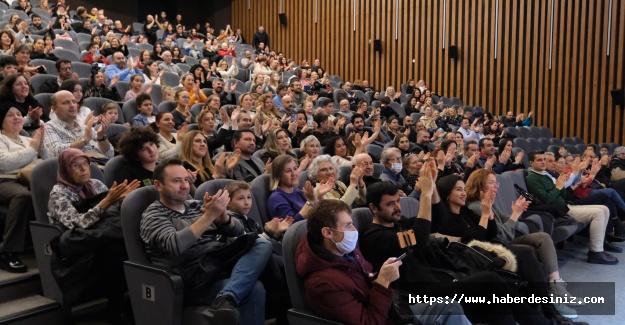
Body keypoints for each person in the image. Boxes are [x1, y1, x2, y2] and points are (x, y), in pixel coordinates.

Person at [359, 168, 560, 325]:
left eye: (397, 201)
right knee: (491, 280)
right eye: (390, 204)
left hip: (440, 281)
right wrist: (426, 195)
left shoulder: (400, 223)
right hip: (419, 295)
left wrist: (433, 187)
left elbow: (438, 219)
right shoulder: (375, 236)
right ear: (373, 208)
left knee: (496, 306)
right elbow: (420, 237)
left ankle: (544, 318)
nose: (397, 207)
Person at [140, 158, 272, 325]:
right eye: (176, 181)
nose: (184, 186)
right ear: (158, 185)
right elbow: (175, 245)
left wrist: (224, 217)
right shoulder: (153, 214)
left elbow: (239, 232)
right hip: (192, 278)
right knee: (254, 288)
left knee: (261, 243)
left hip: (217, 264)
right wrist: (209, 216)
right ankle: (229, 296)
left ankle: (227, 296)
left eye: (186, 180)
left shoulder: (195, 206)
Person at [465, 168, 580, 316]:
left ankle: (555, 285)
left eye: (496, 183)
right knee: (530, 253)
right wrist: (515, 214)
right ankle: (550, 299)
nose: (496, 186)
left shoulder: (489, 202)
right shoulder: (477, 206)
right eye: (491, 183)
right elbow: (502, 235)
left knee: (543, 238)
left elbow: (507, 223)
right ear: (479, 185)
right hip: (495, 246)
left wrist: (514, 214)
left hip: (509, 237)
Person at [48, 148, 140, 322]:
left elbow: (111, 217)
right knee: (114, 251)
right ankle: (116, 306)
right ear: (66, 170)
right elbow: (77, 224)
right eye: (76, 165)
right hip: (76, 248)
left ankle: (129, 301)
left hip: (100, 237)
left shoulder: (96, 184)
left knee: (125, 244)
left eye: (85, 164)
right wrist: (106, 202)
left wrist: (122, 202)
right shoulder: (58, 194)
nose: (83, 169)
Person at [525, 151, 617, 264]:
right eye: (540, 160)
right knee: (598, 213)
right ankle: (596, 252)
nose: (543, 162)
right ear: (531, 162)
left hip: (565, 205)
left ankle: (600, 248)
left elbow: (562, 195)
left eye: (544, 159)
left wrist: (562, 183)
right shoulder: (532, 178)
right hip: (559, 211)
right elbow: (547, 199)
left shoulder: (544, 175)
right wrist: (558, 187)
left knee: (604, 209)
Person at [0, 103, 43, 273]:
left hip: (30, 180)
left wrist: (42, 146)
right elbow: (4, 164)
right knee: (23, 196)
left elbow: (43, 161)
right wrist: (33, 149)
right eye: (11, 115)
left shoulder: (27, 139)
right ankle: (7, 251)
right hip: (5, 180)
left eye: (19, 114)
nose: (17, 117)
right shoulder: (1, 138)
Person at [42, 90, 114, 160]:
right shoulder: (49, 127)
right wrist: (85, 140)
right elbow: (55, 152)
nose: (72, 105)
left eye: (74, 102)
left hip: (98, 164)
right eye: (66, 103)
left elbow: (110, 154)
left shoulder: (85, 128)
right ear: (54, 109)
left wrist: (101, 137)